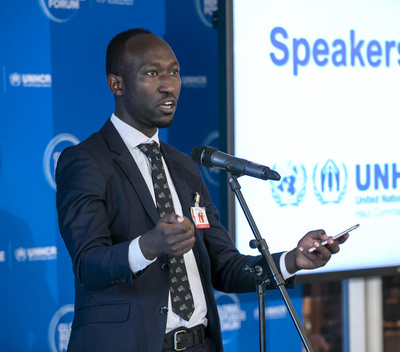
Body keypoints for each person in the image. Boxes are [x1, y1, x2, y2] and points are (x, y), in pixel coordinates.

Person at [56, 28, 348, 352]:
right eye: (152, 73)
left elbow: (225, 266)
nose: (169, 85)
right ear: (117, 84)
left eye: (175, 72)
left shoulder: (184, 166)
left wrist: (292, 261)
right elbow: (89, 265)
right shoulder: (86, 161)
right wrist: (150, 245)